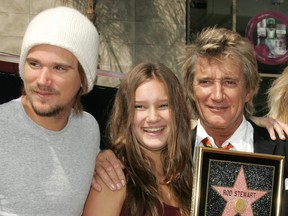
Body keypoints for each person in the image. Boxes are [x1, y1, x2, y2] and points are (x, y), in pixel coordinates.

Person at [92, 27, 288, 215]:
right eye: (205, 82)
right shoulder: (170, 158)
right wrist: (104, 157)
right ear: (191, 90)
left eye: (229, 82)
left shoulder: (281, 147)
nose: (217, 95)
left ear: (249, 90)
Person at [0, 6, 100, 215]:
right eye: (34, 64)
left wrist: (104, 157)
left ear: (84, 77)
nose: (43, 80)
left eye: (59, 68)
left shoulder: (89, 129)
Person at [83, 62, 193, 215]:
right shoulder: (113, 177)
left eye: (163, 105)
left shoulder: (186, 175)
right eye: (140, 107)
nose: (153, 118)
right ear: (126, 113)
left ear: (178, 111)